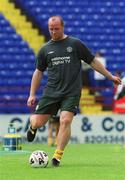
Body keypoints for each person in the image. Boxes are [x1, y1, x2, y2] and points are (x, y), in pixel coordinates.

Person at [27, 15, 121, 167]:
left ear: (63, 27)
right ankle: (32, 128)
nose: (53, 32)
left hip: (71, 91)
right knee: (38, 122)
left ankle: (57, 156)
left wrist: (109, 76)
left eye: (56, 29)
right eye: (51, 29)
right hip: (51, 91)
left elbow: (92, 61)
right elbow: (38, 72)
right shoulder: (45, 49)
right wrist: (32, 94)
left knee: (65, 120)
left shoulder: (75, 44)